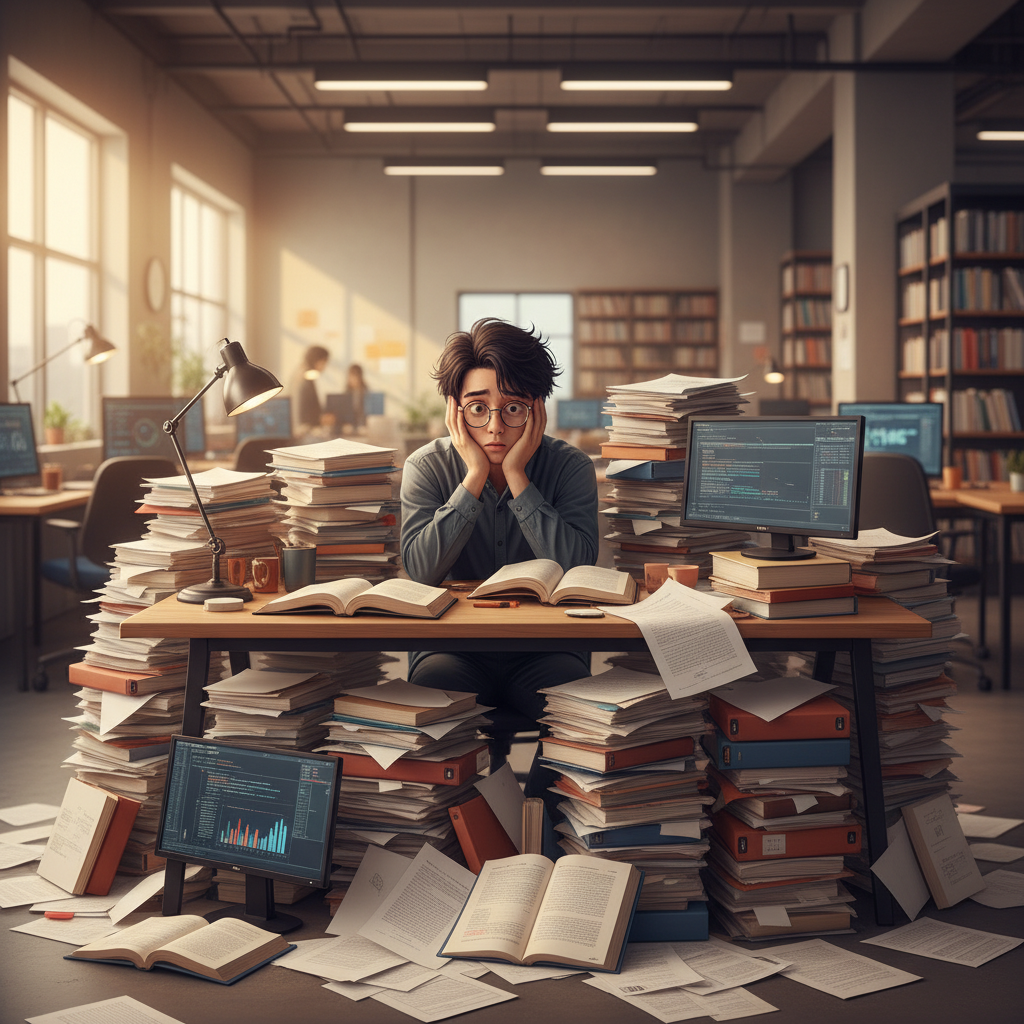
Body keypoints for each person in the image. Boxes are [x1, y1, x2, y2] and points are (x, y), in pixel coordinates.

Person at [400, 318, 599, 796]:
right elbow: (421, 569)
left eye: (512, 408)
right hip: (453, 652)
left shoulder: (570, 467)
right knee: (426, 712)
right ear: (454, 410)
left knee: (584, 726)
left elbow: (577, 568)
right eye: (477, 408)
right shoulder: (426, 467)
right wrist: (473, 476)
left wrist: (516, 476)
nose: (494, 426)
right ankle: (460, 835)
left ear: (536, 409)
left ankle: (546, 842)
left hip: (546, 651)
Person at [289, 344, 331, 435]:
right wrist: (321, 419)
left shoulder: (302, 373)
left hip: (301, 429)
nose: (325, 367)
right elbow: (305, 413)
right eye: (324, 362)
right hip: (304, 431)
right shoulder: (306, 378)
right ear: (317, 361)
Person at [346, 362, 368, 432]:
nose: (353, 379)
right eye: (351, 376)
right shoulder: (347, 392)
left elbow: (367, 412)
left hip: (363, 427)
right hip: (350, 427)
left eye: (355, 376)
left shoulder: (366, 392)